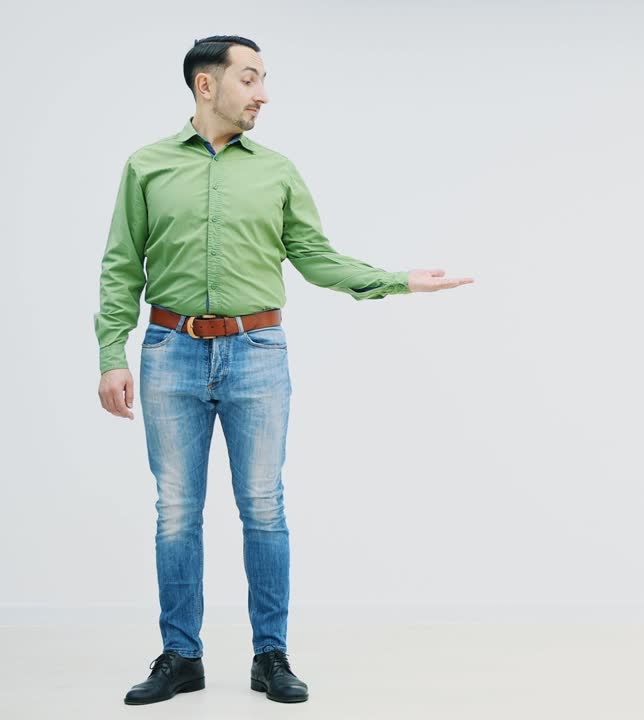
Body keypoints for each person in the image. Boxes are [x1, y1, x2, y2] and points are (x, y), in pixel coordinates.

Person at [94, 35, 474, 706]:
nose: (263, 92)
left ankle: (271, 655)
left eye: (264, 78)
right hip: (169, 352)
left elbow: (315, 257)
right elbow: (122, 268)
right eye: (250, 78)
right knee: (176, 512)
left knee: (263, 509)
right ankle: (181, 656)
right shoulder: (146, 167)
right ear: (206, 86)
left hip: (257, 353)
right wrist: (109, 356)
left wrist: (398, 280)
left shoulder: (277, 171)